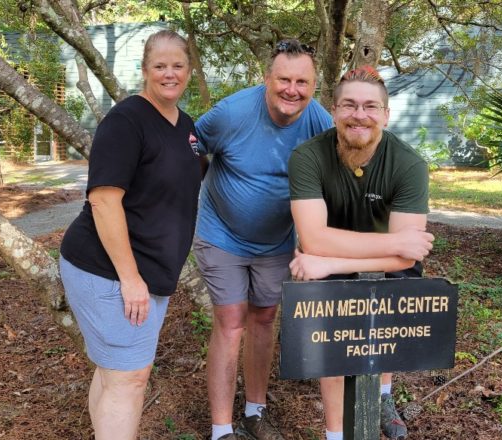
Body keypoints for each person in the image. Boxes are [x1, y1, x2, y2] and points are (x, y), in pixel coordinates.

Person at [59, 30, 204, 440]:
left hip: (146, 274)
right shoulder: (125, 121)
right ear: (144, 71)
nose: (169, 73)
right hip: (109, 270)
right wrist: (130, 277)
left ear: (189, 71)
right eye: (160, 66)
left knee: (115, 374)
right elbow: (104, 201)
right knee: (130, 378)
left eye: (178, 65)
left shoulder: (185, 126)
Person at [192, 39, 333, 440]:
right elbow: (192, 148)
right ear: (266, 79)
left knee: (264, 318)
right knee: (232, 322)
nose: (292, 89)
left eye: (302, 82)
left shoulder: (319, 123)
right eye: (284, 79)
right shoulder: (231, 113)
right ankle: (222, 429)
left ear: (313, 85)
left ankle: (256, 411)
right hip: (222, 235)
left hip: (277, 242)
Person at [288, 66, 435, 440]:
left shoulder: (409, 164)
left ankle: (384, 397)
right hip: (334, 263)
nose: (360, 115)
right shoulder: (308, 157)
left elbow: (406, 259)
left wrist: (329, 261)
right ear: (334, 109)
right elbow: (313, 238)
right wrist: (396, 243)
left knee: (385, 334)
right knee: (335, 351)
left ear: (386, 115)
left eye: (371, 106)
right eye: (349, 105)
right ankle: (335, 433)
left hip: (358, 265)